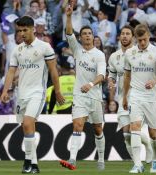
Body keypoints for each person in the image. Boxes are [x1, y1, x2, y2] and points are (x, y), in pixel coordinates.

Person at [0, 16, 65, 174]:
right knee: (26, 128)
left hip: (37, 92)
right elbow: (11, 71)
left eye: (25, 30)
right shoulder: (17, 50)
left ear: (33, 28)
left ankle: (28, 161)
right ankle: (33, 164)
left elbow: (53, 71)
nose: (22, 33)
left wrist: (57, 91)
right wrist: (4, 91)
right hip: (21, 94)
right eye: (19, 30)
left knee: (28, 123)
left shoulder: (44, 47)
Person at [59, 3, 106, 171]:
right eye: (84, 34)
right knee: (77, 125)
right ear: (81, 38)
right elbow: (69, 32)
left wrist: (91, 84)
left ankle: (101, 159)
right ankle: (72, 159)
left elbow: (102, 76)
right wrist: (69, 16)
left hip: (95, 96)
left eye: (89, 34)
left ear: (93, 37)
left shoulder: (99, 55)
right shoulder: (77, 50)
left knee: (98, 129)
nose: (87, 36)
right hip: (80, 95)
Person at [123, 24, 156, 173]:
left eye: (144, 39)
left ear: (149, 36)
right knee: (134, 127)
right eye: (139, 40)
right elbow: (127, 76)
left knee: (153, 134)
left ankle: (155, 158)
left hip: (152, 98)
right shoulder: (129, 53)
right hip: (135, 95)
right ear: (135, 38)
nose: (142, 43)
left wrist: (154, 80)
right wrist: (124, 96)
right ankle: (137, 164)